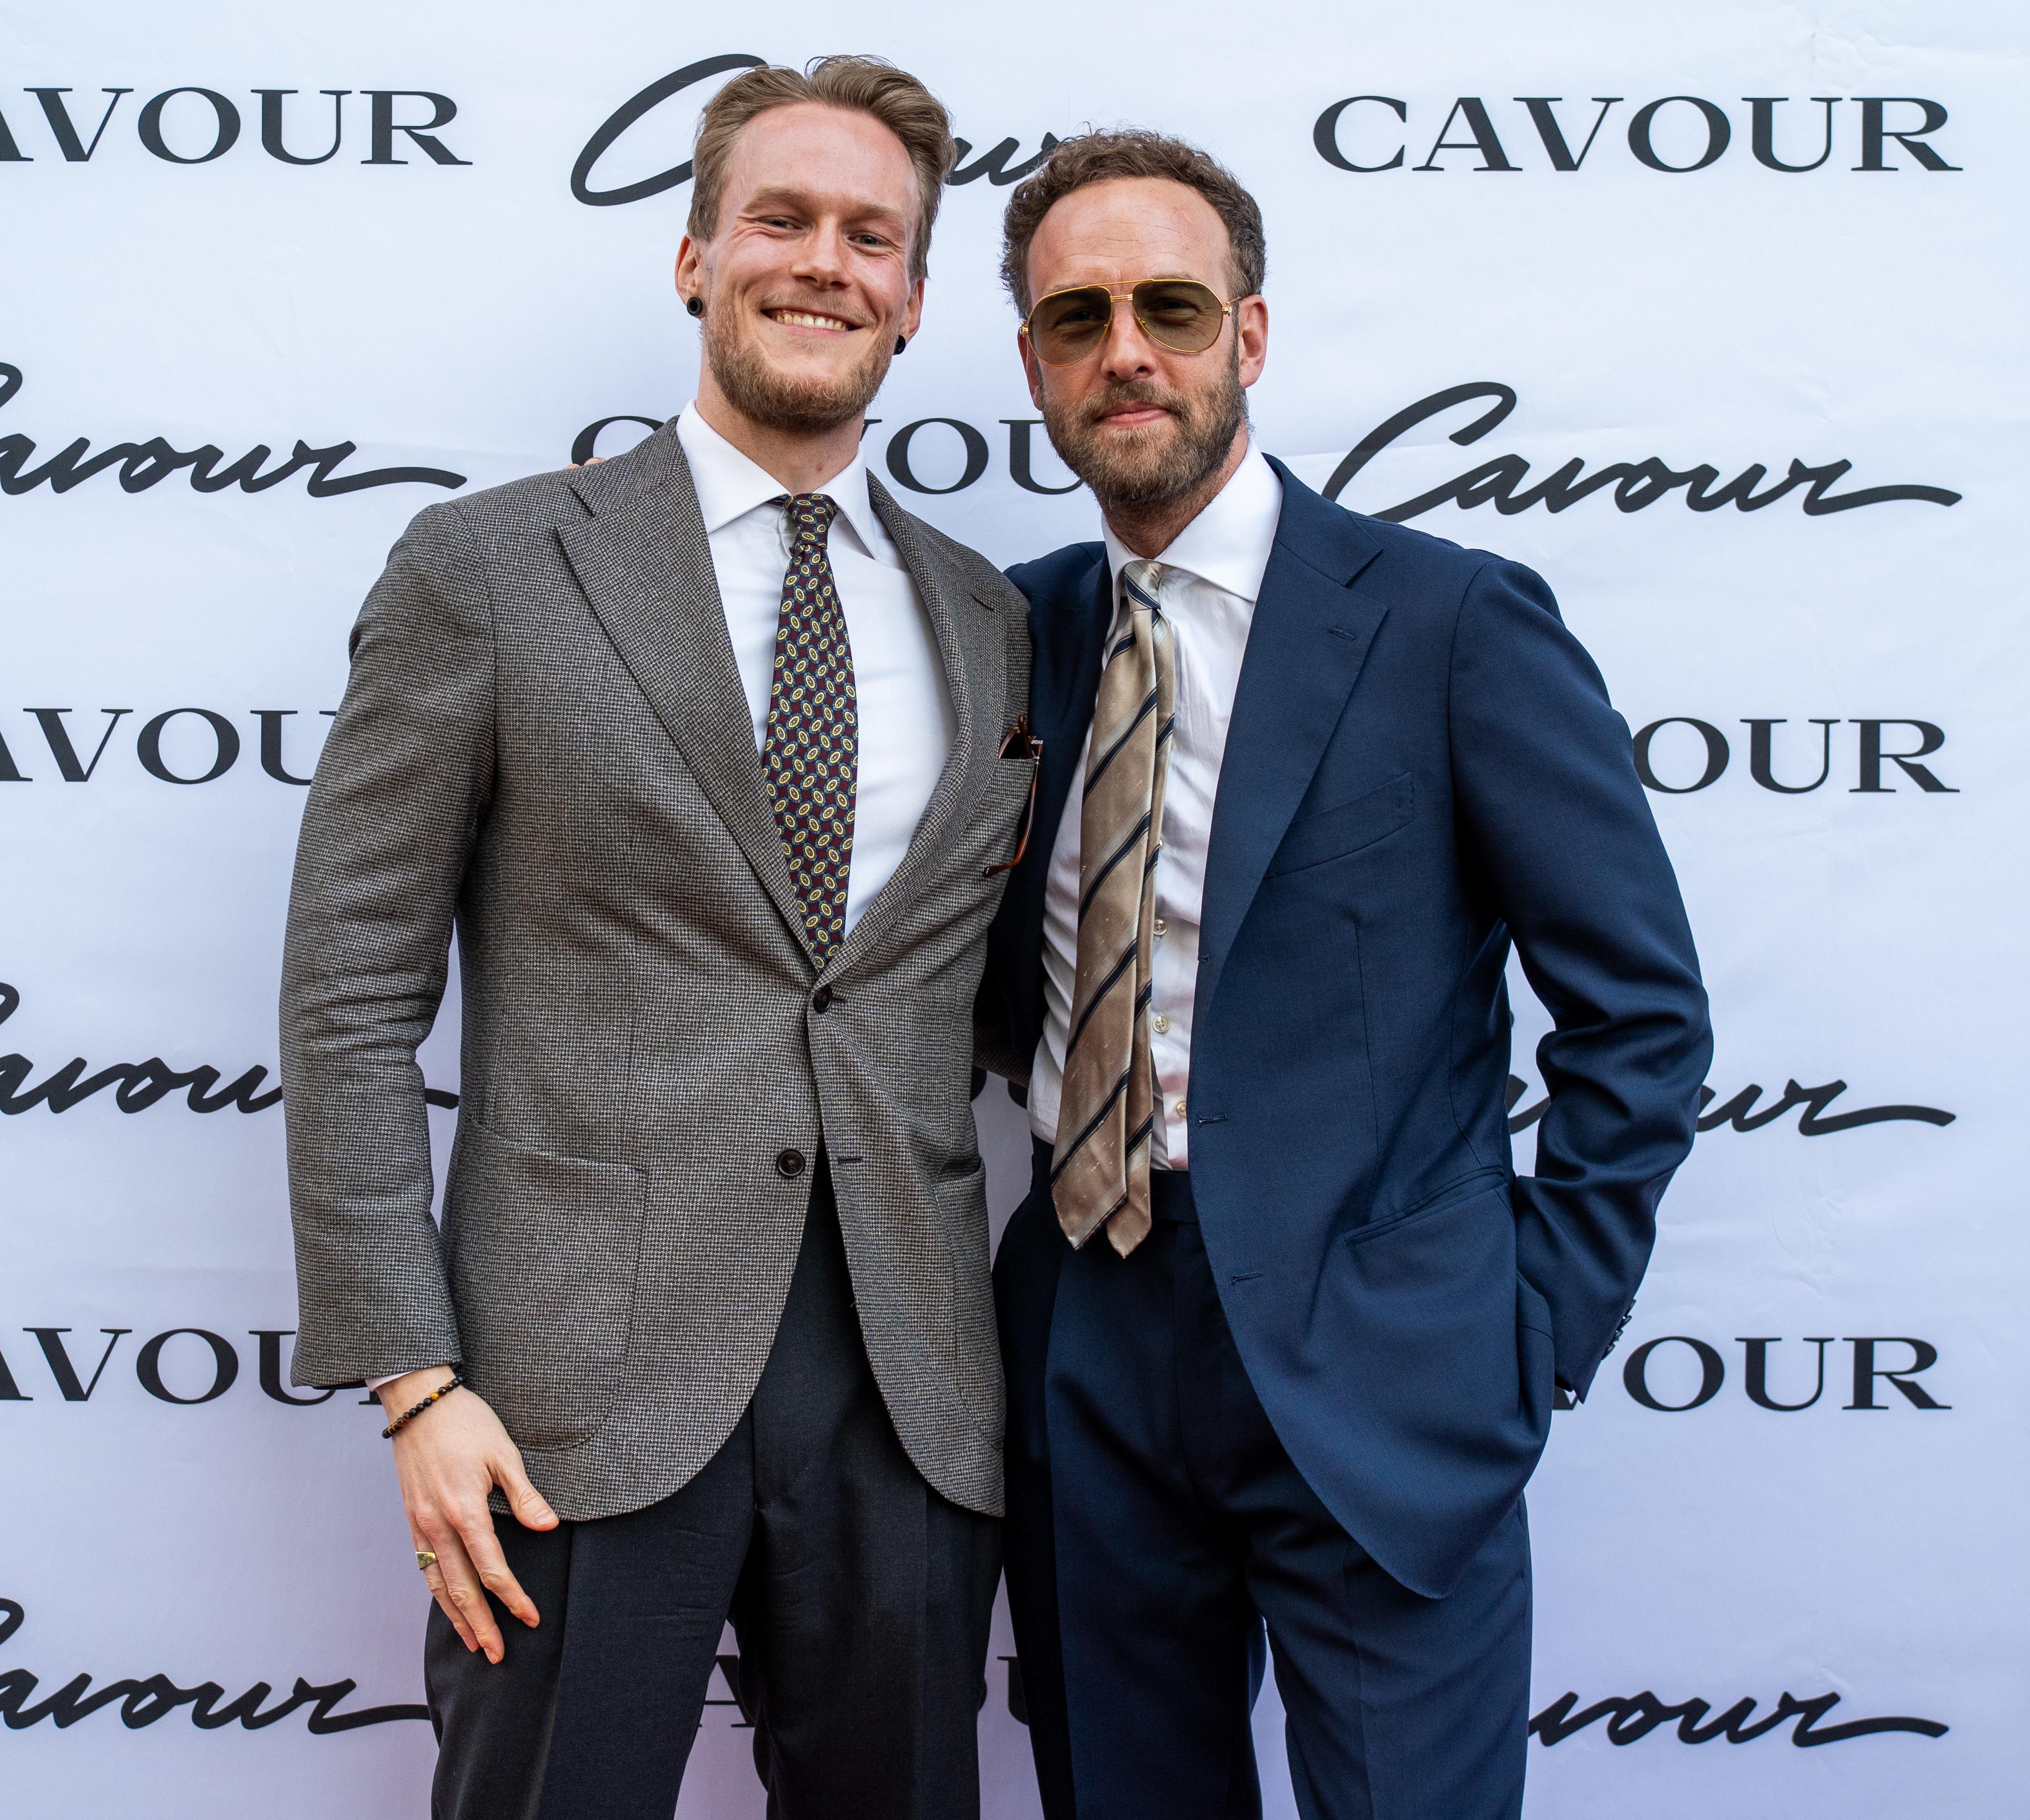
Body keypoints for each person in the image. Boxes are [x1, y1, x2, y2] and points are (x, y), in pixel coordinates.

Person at [281, 57, 1032, 1820]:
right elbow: (350, 993)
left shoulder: (992, 621)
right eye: (781, 217)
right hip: (565, 1392)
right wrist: (417, 1382)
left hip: (913, 1391)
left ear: (915, 298)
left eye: (873, 236)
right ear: (696, 256)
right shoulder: (489, 568)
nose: (823, 262)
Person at [978, 131, 1713, 1819]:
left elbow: (1638, 1010)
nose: (1126, 352)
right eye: (1076, 318)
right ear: (1031, 362)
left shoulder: (1450, 621)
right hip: (1086, 1341)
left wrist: (1521, 1335)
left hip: (1384, 1369)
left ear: (1249, 330)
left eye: (1168, 306)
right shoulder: (1012, 633)